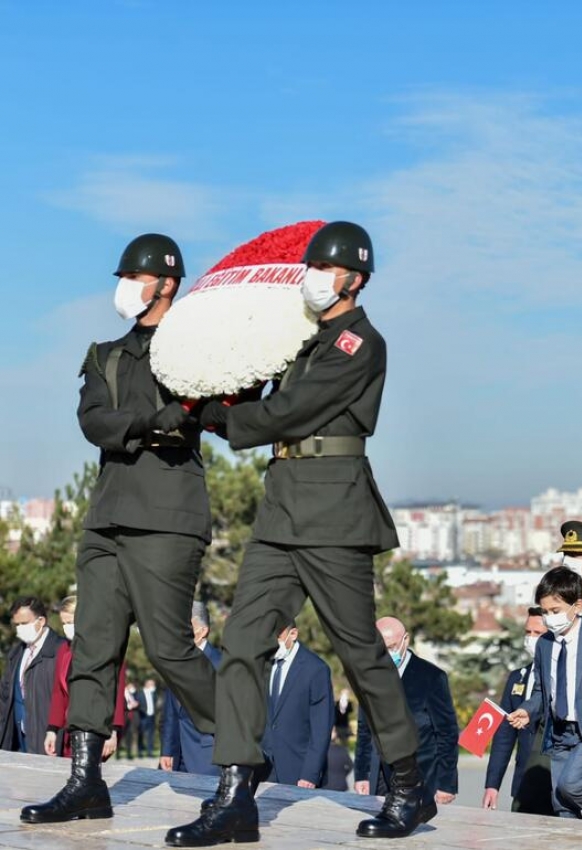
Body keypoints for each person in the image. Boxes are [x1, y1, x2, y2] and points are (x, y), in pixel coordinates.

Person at [167, 222, 433, 846]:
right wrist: (219, 389)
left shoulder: (358, 343)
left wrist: (213, 417)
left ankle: (408, 785)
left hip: (334, 514)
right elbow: (265, 401)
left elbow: (289, 413)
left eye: (324, 268)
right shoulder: (303, 342)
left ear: (354, 279)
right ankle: (235, 791)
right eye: (309, 266)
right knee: (241, 647)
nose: (311, 276)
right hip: (281, 508)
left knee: (361, 655)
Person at [20, 234, 218, 826]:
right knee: (92, 650)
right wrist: (149, 422)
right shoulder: (105, 354)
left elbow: (203, 417)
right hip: (107, 518)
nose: (125, 286)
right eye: (124, 274)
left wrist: (162, 422)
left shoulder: (201, 350)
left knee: (171, 650)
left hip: (168, 518)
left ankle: (242, 751)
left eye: (136, 276)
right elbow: (93, 421)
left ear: (168, 284)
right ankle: (85, 781)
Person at [507, 568, 582, 820]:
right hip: (559, 732)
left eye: (556, 611)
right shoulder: (544, 644)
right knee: (560, 801)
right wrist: (527, 710)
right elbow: (543, 690)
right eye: (545, 612)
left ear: (578, 605)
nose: (550, 618)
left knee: (570, 784)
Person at [354, 617, 458, 805]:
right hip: (381, 779)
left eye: (391, 647)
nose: (386, 654)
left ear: (406, 640)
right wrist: (361, 774)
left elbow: (447, 734)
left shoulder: (432, 678)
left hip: (422, 777)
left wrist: (446, 783)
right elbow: (364, 729)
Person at [483, 606, 554, 815]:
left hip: (554, 784)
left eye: (538, 633)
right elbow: (504, 735)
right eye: (528, 632)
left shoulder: (561, 677)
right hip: (523, 786)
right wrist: (492, 785)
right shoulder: (518, 677)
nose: (531, 638)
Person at [45, 596, 125, 760]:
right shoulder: (63, 651)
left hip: (98, 728)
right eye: (64, 623)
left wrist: (113, 730)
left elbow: (117, 690)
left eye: (71, 622)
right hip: (71, 729)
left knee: (88, 776)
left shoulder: (108, 648)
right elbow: (59, 693)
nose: (67, 628)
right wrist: (52, 729)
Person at [260, 622, 334, 787]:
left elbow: (321, 728)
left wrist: (310, 773)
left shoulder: (316, 669)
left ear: (292, 634)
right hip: (263, 770)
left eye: (277, 636)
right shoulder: (263, 664)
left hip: (298, 771)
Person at [160, 601, 221, 777]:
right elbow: (171, 711)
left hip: (207, 757)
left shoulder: (220, 664)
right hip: (176, 759)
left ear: (202, 631)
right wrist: (167, 749)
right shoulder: (176, 661)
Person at [0, 596, 65, 756]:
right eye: (17, 624)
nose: (20, 628)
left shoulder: (60, 651)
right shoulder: (16, 653)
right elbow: (5, 695)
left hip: (49, 741)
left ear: (41, 621)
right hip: (17, 741)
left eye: (24, 623)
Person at [322, 727, 353, 792]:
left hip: (324, 786)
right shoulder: (342, 750)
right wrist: (343, 774)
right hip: (341, 786)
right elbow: (351, 766)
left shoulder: (320, 752)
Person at [137, 678, 158, 758]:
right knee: (141, 735)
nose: (153, 686)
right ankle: (140, 752)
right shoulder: (140, 693)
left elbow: (155, 703)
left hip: (151, 717)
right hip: (142, 717)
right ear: (147, 684)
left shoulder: (153, 694)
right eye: (152, 684)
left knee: (151, 735)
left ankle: (150, 752)